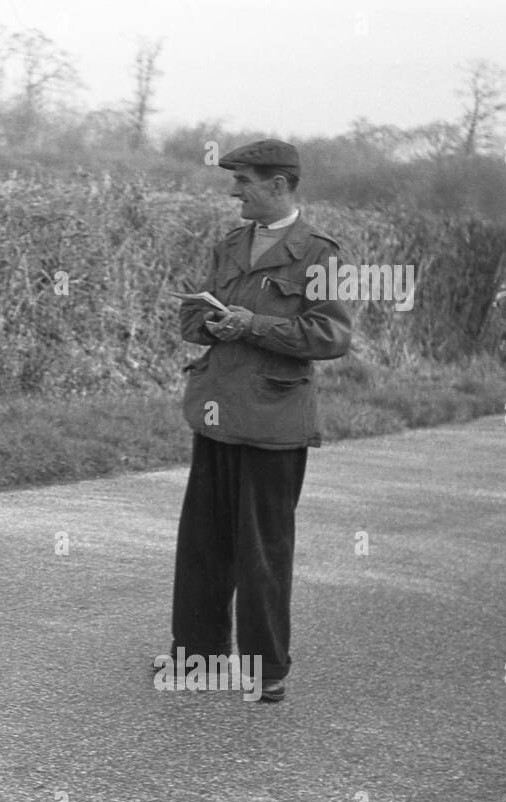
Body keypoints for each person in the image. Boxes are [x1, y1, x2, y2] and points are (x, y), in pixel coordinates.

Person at [165, 139, 352, 702]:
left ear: (279, 185)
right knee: (203, 544)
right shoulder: (229, 244)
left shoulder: (321, 255)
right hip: (216, 411)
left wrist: (252, 325)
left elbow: (331, 336)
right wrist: (210, 323)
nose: (234, 191)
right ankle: (198, 657)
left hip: (274, 422)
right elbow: (193, 315)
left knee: (263, 551)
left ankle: (266, 670)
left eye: (243, 180)